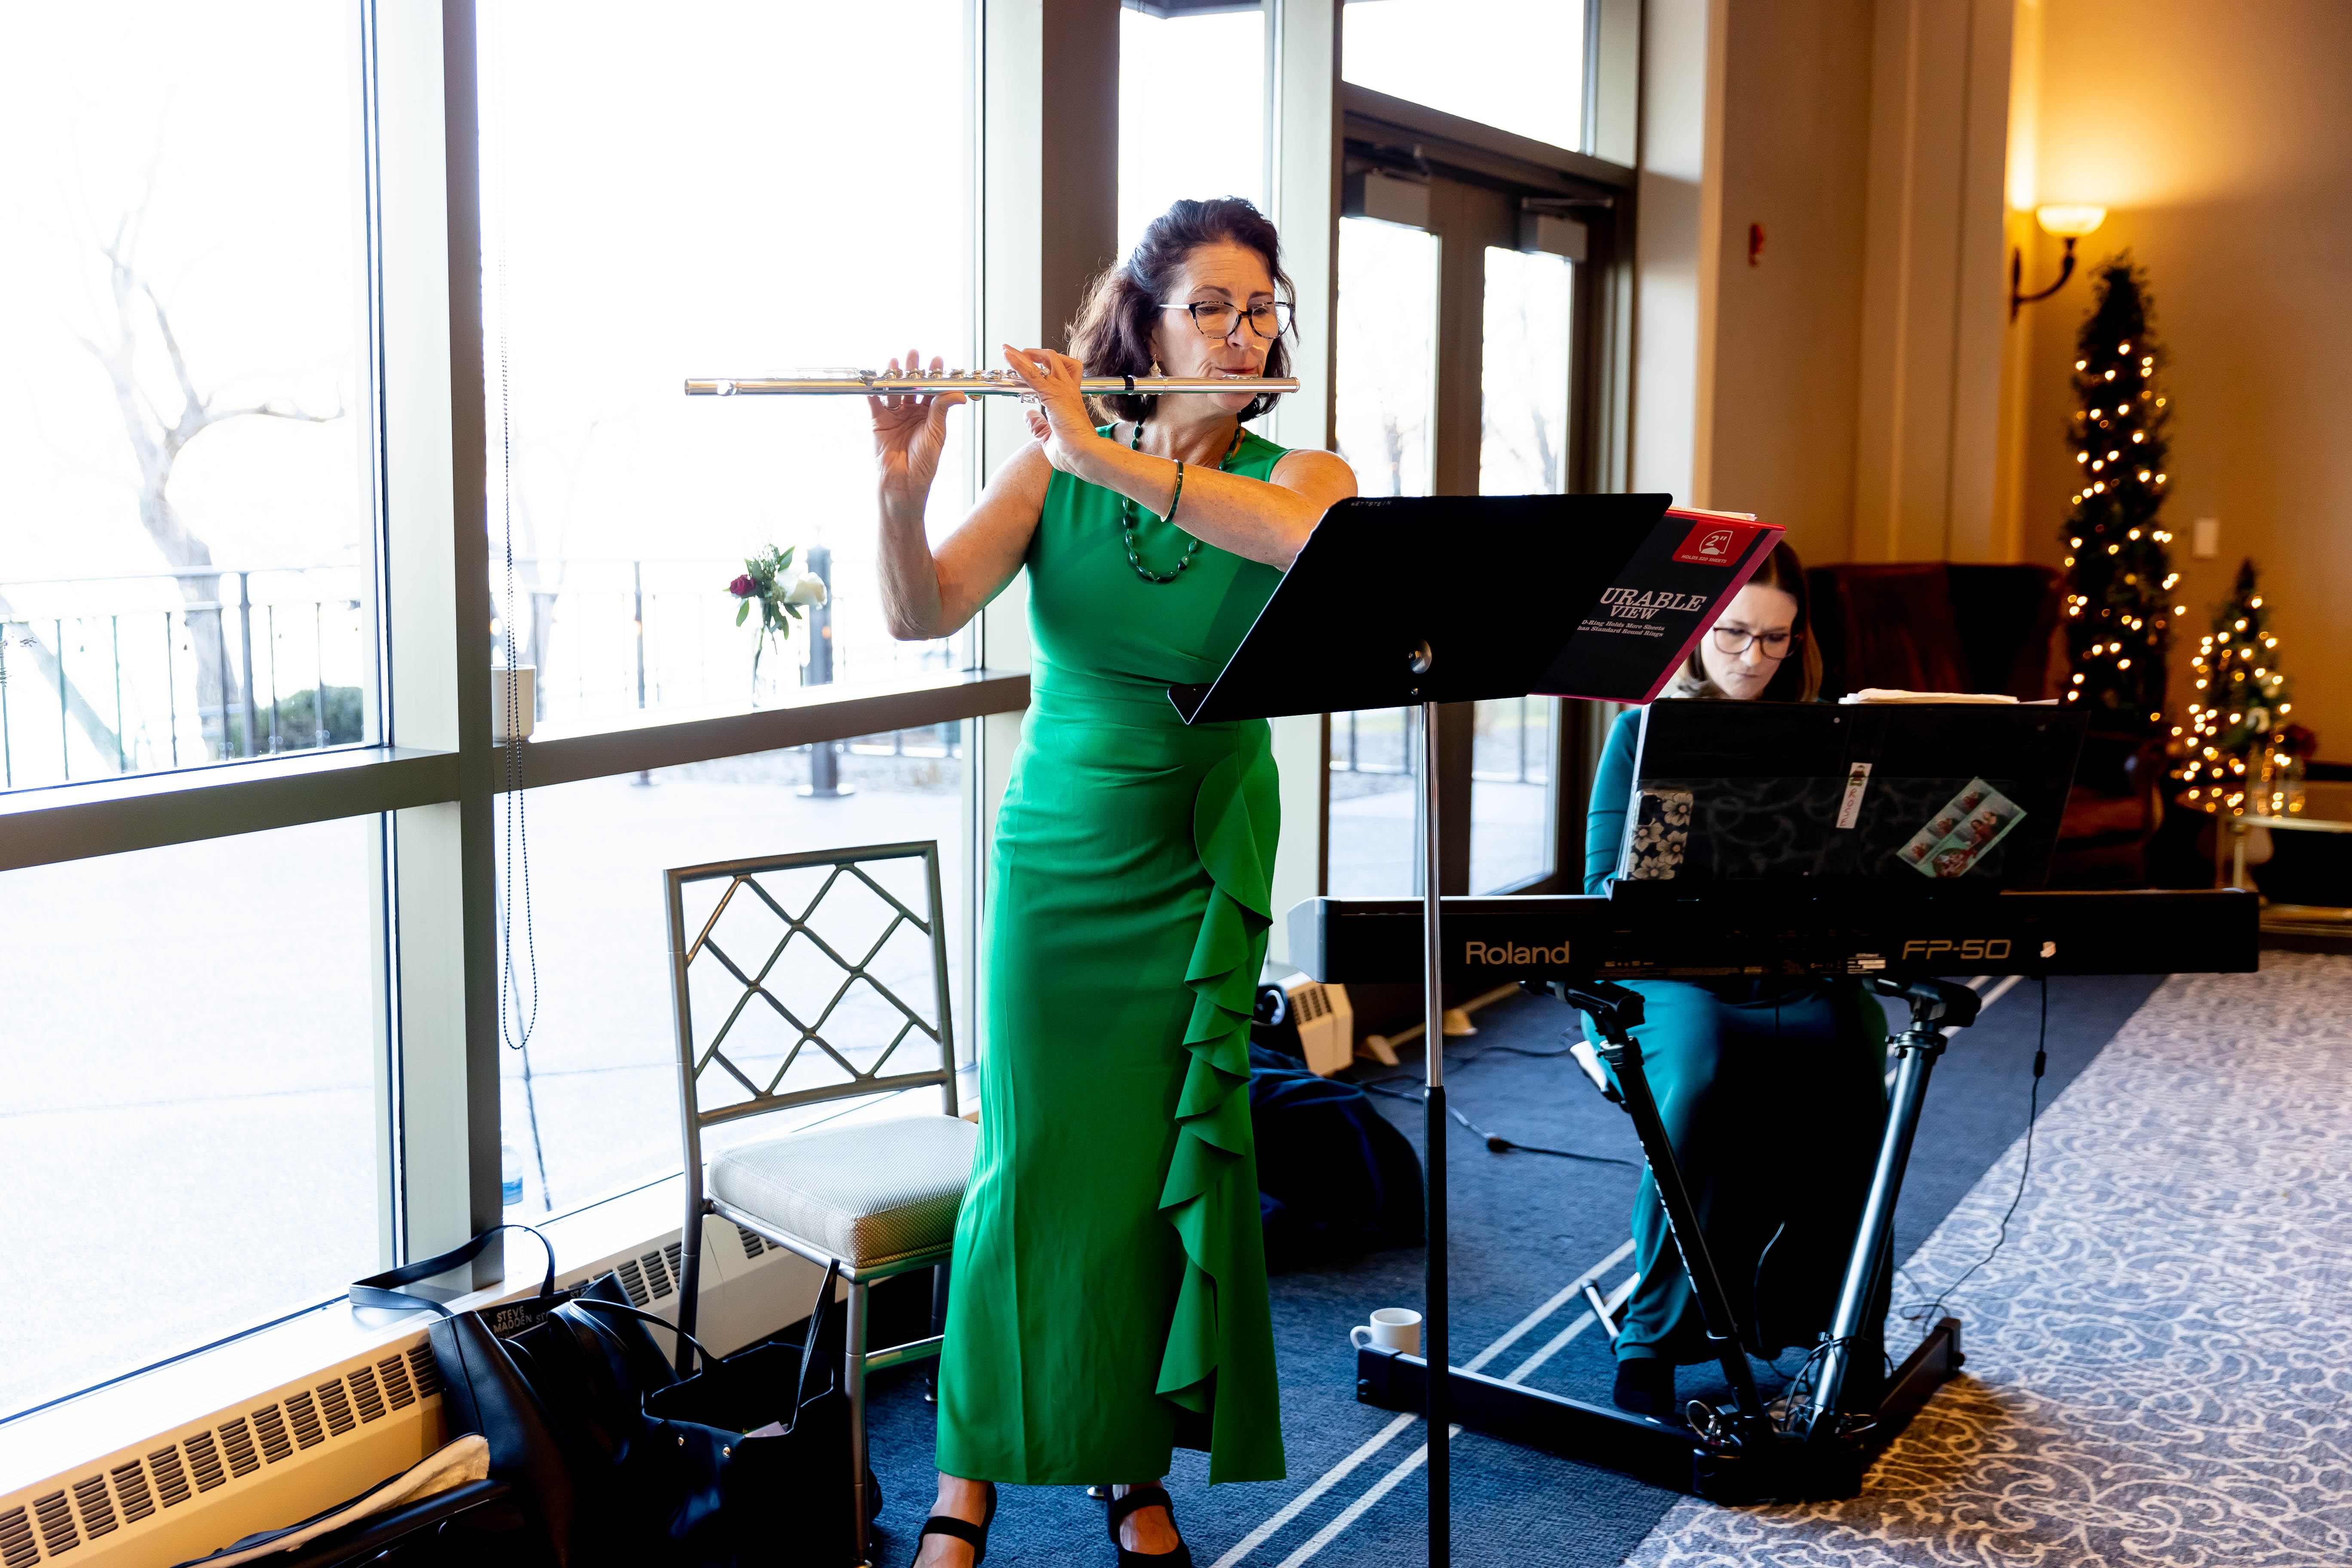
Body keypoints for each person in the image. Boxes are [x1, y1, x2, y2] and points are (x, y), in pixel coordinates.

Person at [871, 197, 1357, 1568]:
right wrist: (901, 492)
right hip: (1063, 854)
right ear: (1146, 322)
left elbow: (1303, 547)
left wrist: (1102, 450)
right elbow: (919, 612)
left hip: (1199, 855)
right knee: (1028, 1162)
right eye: (1211, 306)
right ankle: (967, 1475)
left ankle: (1129, 1466)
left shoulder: (1305, 474)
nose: (1242, 332)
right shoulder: (1051, 472)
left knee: (1156, 1170)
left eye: (1260, 309)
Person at [1581, 541, 1892, 1419]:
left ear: (1799, 642)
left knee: (1852, 1046)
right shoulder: (1644, 731)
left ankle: (1840, 1323)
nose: (1753, 657)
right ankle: (1653, 1333)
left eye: (1775, 639)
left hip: (1792, 968)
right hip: (1673, 975)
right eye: (1734, 634)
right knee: (1707, 1061)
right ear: (1698, 629)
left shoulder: (1830, 737)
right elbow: (1602, 885)